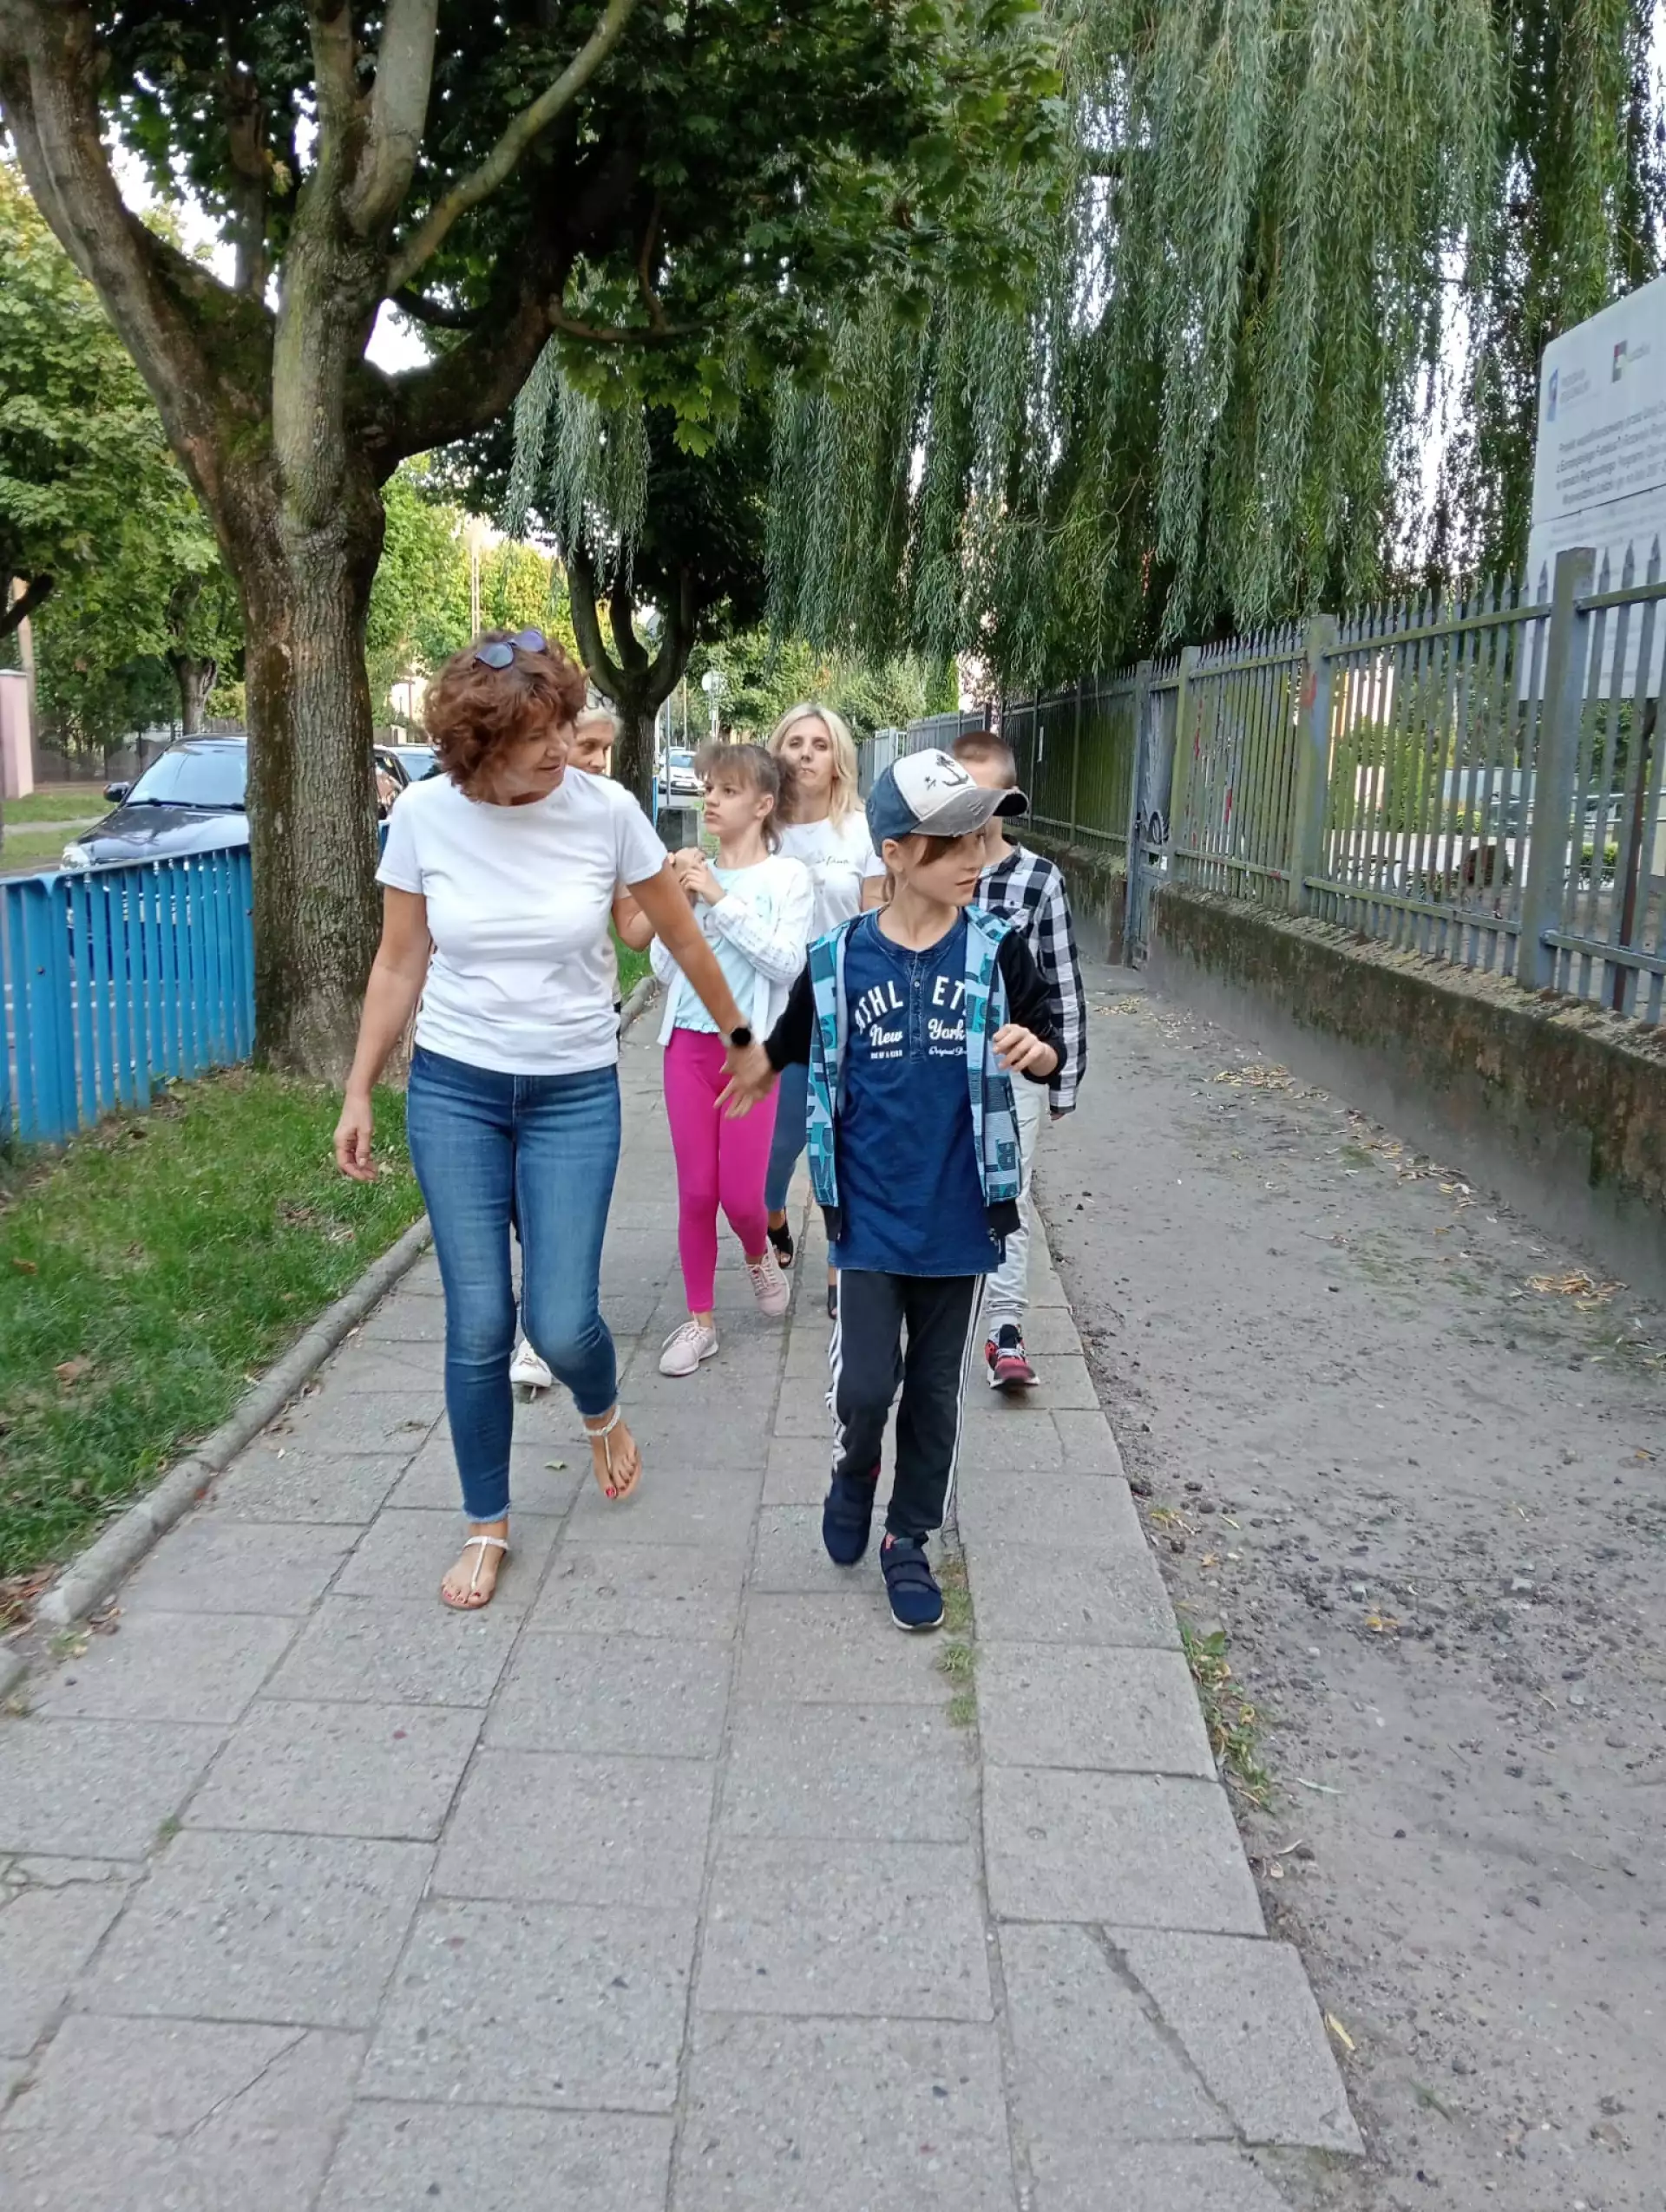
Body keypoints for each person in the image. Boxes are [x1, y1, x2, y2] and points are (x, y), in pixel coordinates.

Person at [333, 629, 757, 1612]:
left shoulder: (606, 813)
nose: (563, 747)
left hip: (571, 1091)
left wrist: (741, 1037)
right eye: (537, 737)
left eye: (565, 723)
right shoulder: (425, 818)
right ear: (478, 749)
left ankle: (600, 1408)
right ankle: (486, 1522)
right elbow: (400, 960)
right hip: (456, 1091)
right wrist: (359, 1088)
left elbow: (682, 935)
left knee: (562, 1323)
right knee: (481, 1321)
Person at [723, 749, 1060, 1631]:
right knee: (867, 1387)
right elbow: (793, 1034)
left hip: (961, 1217)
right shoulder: (838, 960)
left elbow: (1048, 1030)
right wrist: (758, 1065)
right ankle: (855, 1467)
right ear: (897, 853)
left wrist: (1038, 1053)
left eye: (982, 838)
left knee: (937, 1396)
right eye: (954, 843)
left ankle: (908, 1537)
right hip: (868, 1214)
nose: (976, 857)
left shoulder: (996, 949)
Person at [617, 743, 812, 1375]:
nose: (711, 801)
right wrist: (684, 905)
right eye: (709, 789)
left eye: (728, 791)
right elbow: (663, 968)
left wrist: (720, 900)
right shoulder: (691, 873)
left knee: (742, 1199)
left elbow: (787, 963)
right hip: (687, 1047)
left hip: (749, 1055)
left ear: (763, 804)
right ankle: (700, 1321)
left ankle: (757, 1253)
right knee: (698, 1191)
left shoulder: (788, 878)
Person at [952, 729, 1088, 1391]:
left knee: (1008, 1191)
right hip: (942, 1065)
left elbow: (1062, 986)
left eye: (986, 797)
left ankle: (1004, 1330)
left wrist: (1062, 1079)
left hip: (1014, 1070)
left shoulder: (1038, 880)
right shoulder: (926, 870)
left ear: (1008, 800)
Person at [508, 703, 621, 1397]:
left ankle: (544, 1324)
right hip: (491, 1044)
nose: (599, 761)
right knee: (514, 1196)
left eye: (606, 750)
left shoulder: (606, 815)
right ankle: (537, 1309)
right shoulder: (496, 815)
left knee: (553, 1196)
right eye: (590, 746)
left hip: (581, 1033)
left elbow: (635, 930)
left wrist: (675, 886)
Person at [763, 704, 887, 1318]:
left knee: (842, 1142)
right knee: (780, 1141)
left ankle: (843, 1265)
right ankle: (772, 1213)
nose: (806, 753)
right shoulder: (763, 830)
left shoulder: (861, 831)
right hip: (774, 1008)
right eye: (795, 742)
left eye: (819, 743)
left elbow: (875, 918)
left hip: (843, 1005)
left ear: (838, 758)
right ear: (777, 753)